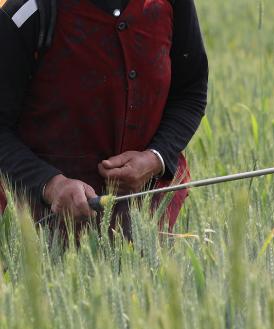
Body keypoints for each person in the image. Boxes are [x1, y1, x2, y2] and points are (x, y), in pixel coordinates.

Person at [0, 0, 209, 230]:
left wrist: (155, 158)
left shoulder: (171, 5)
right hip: (42, 229)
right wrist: (51, 185)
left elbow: (190, 93)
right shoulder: (30, 11)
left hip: (150, 224)